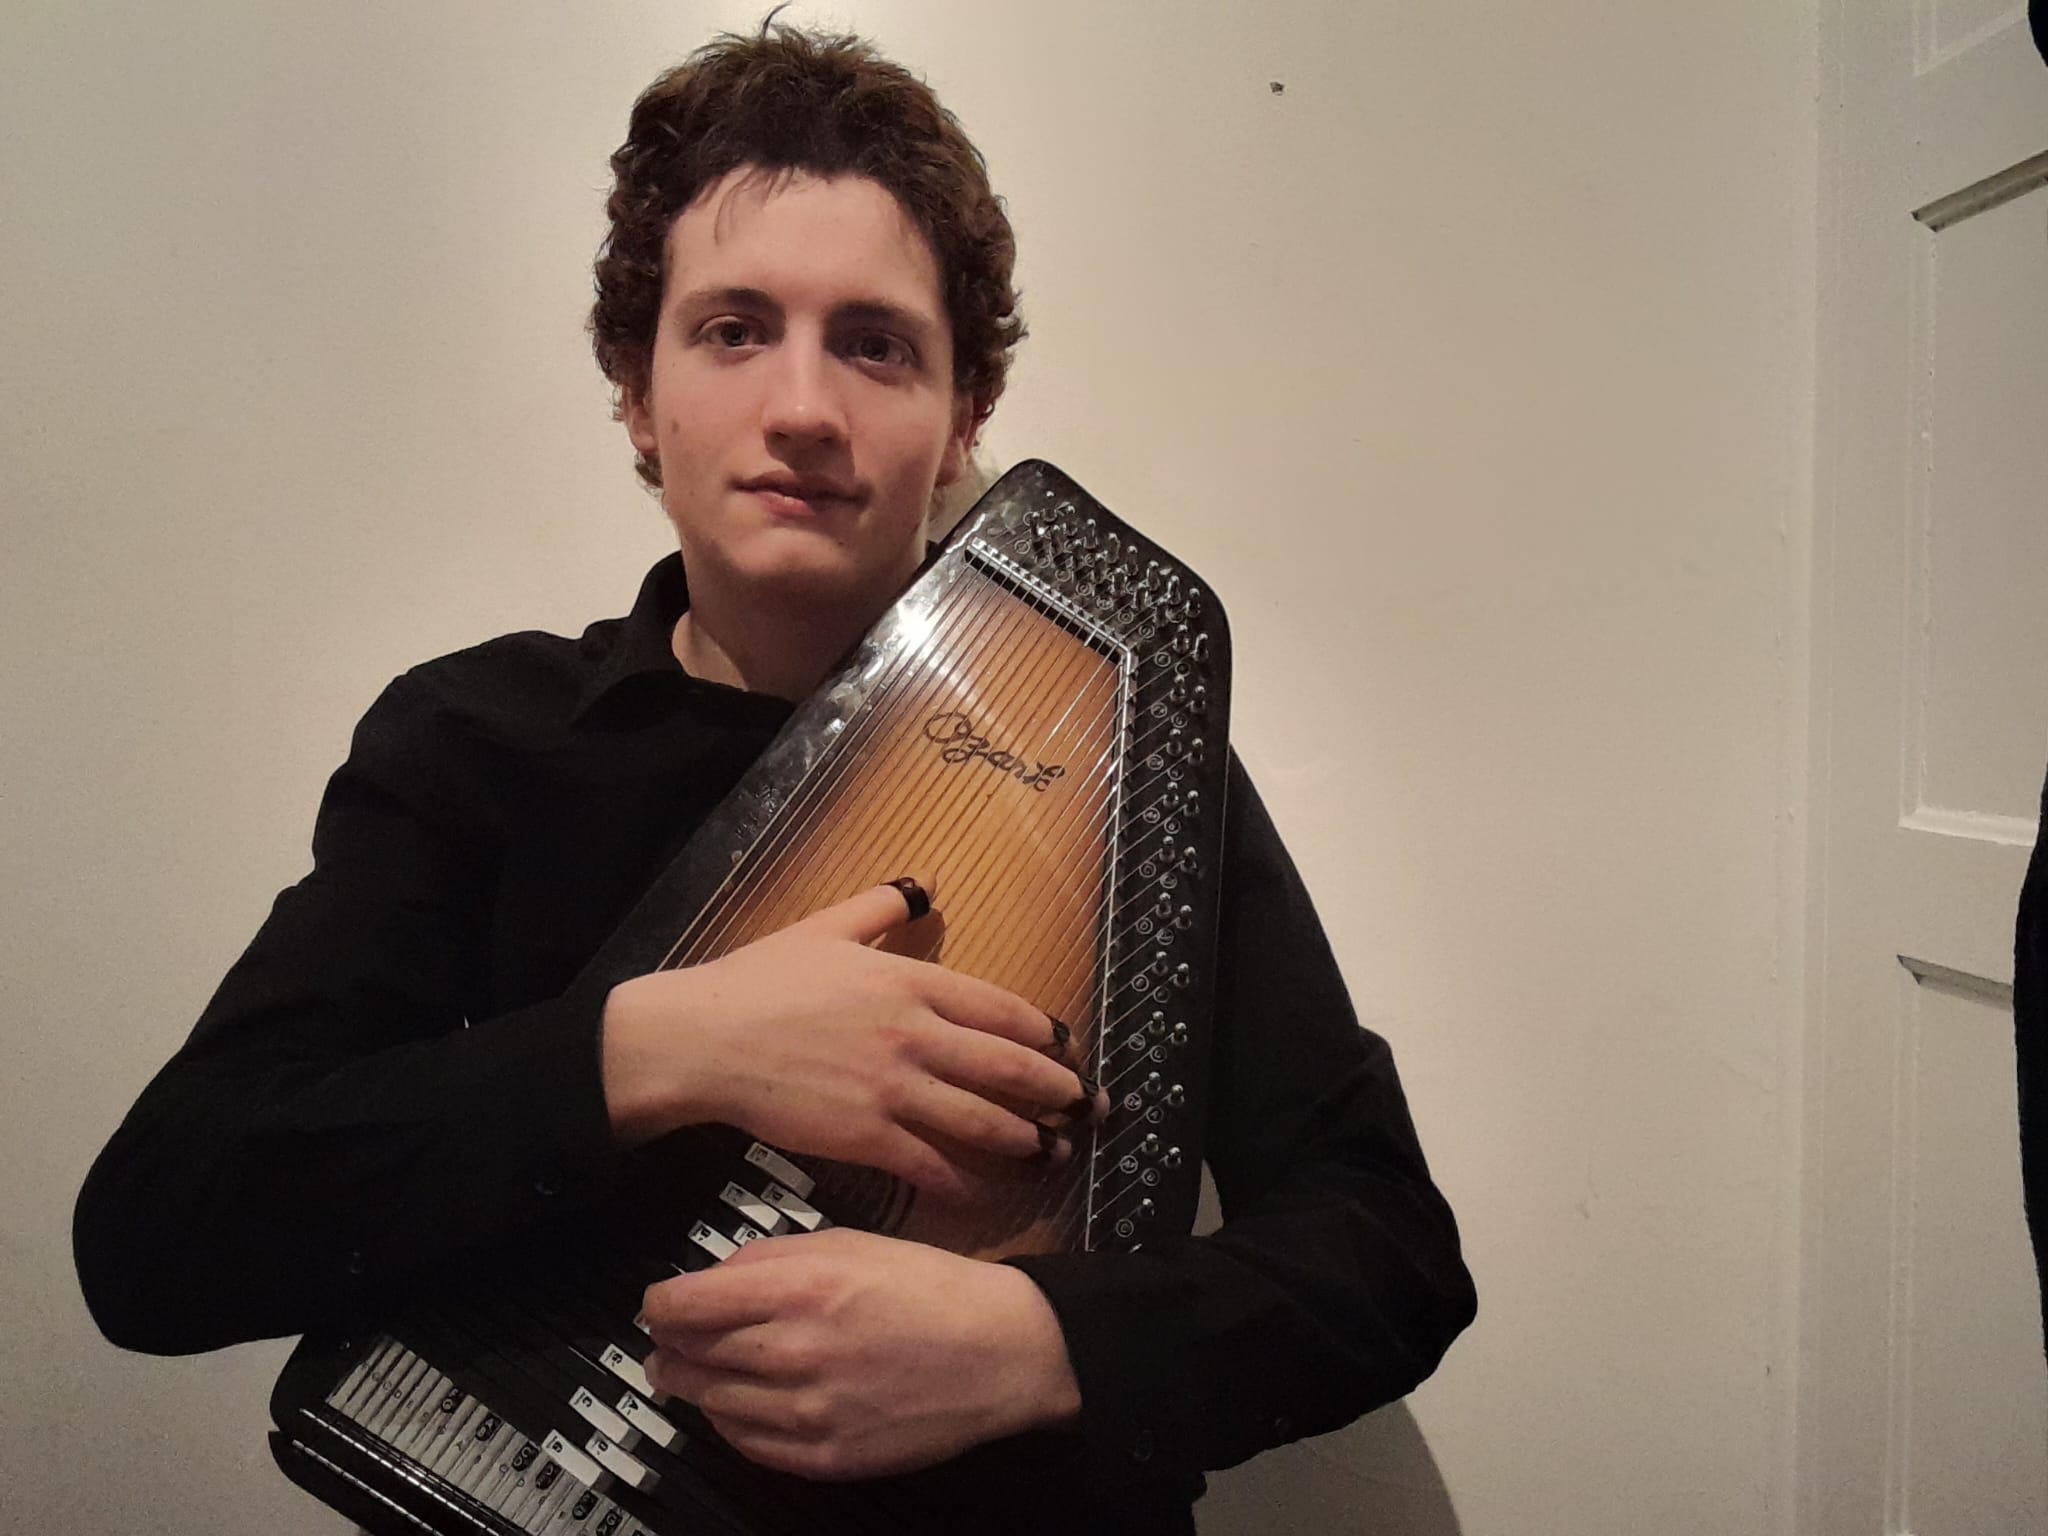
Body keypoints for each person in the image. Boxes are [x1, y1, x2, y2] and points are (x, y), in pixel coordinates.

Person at [73, 20, 1475, 1531]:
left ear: (963, 416)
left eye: (875, 343)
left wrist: (1038, 1348)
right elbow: (163, 1235)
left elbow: (1388, 1251)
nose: (803, 407)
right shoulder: (475, 740)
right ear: (638, 393)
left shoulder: (1122, 739)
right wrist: (662, 1051)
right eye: (734, 330)